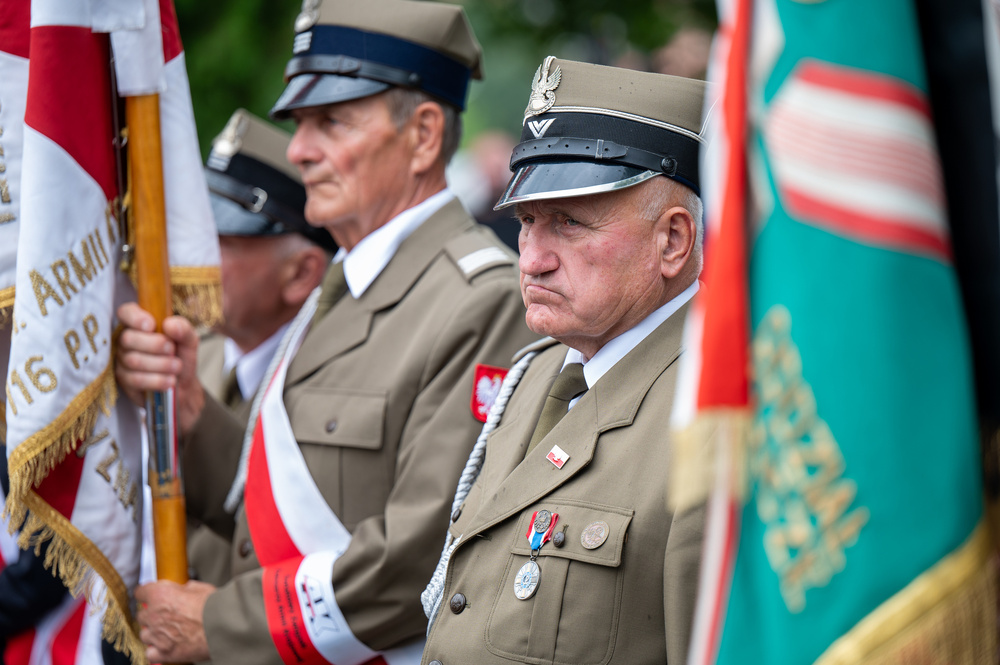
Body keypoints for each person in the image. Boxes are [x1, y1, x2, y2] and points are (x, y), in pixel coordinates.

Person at [114, 1, 537, 664]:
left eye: (331, 121)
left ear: (424, 135)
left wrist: (220, 622)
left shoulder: (478, 300)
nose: (301, 150)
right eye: (301, 123)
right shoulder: (342, 288)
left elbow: (418, 556)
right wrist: (193, 410)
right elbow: (278, 506)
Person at [420, 57, 710, 665]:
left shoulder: (708, 421)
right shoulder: (535, 377)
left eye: (569, 222)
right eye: (527, 221)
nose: (531, 259)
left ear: (674, 241)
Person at [187, 108, 336, 588]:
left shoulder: (332, 380)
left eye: (222, 241)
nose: (195, 255)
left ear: (301, 274)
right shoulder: (197, 350)